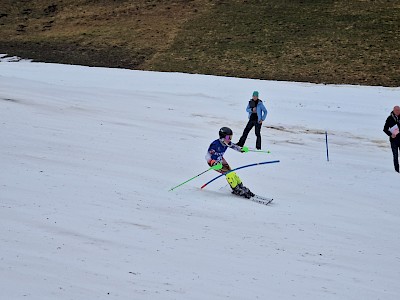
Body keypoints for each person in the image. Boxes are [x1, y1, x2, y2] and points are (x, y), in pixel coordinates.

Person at [205, 127, 254, 198]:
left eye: (231, 137)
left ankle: (240, 186)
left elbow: (234, 146)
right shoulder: (215, 144)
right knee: (229, 174)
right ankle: (236, 189)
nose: (230, 139)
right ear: (222, 137)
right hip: (214, 163)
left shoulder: (226, 143)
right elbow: (207, 156)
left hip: (221, 160)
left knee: (232, 172)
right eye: (228, 137)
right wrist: (212, 162)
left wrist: (241, 149)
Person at [383, 106, 400, 172]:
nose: (398, 111)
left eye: (399, 110)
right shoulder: (389, 118)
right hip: (394, 140)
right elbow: (385, 129)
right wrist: (390, 134)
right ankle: (397, 171)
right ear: (393, 111)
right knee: (395, 156)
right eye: (396, 110)